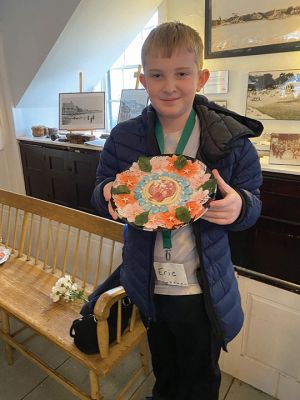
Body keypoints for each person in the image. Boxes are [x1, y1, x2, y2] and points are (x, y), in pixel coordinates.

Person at [91, 22, 263, 400]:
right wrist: (106, 192)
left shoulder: (228, 140)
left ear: (201, 77)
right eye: (157, 75)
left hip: (202, 289)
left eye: (182, 73)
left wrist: (240, 206)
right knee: (165, 372)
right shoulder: (123, 138)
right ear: (143, 79)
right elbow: (101, 186)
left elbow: (252, 202)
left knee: (201, 378)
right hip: (149, 284)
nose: (169, 86)